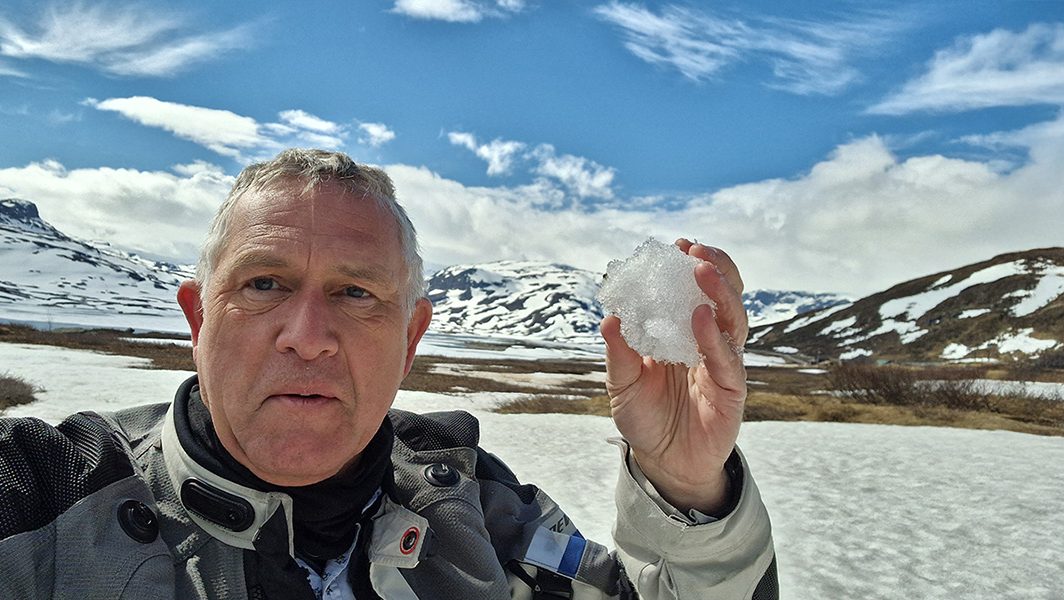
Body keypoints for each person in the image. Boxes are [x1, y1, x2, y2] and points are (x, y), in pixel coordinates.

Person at [0, 149, 778, 599]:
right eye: (264, 284)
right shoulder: (50, 499)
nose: (308, 339)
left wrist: (687, 492)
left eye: (356, 293)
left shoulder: (482, 515)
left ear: (410, 341)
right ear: (200, 321)